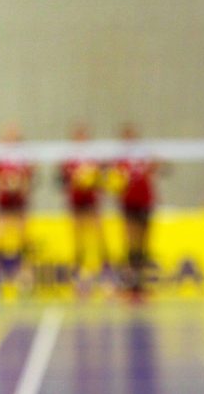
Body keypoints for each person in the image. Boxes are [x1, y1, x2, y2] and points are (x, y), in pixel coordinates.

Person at [110, 123, 166, 296]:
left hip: (145, 202)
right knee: (131, 244)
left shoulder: (145, 156)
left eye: (132, 136)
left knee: (144, 244)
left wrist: (156, 163)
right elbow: (113, 181)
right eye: (127, 136)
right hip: (128, 204)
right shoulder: (119, 159)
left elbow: (159, 169)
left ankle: (141, 284)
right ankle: (130, 284)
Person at [0, 123, 36, 288]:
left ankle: (25, 275)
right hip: (3, 202)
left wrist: (20, 184)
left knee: (23, 238)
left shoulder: (24, 156)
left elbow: (30, 179)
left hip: (19, 202)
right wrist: (4, 184)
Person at [57, 122, 109, 284]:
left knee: (98, 233)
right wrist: (74, 181)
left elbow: (104, 177)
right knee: (78, 236)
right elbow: (61, 180)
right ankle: (78, 271)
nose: (81, 138)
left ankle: (105, 269)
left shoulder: (95, 156)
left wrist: (93, 181)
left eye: (83, 135)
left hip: (92, 201)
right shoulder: (68, 157)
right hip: (75, 201)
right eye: (78, 135)